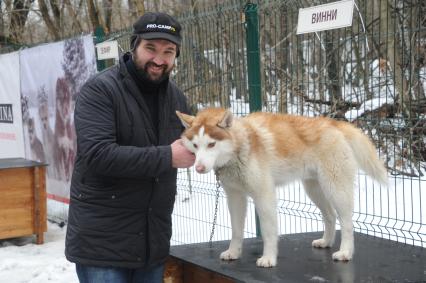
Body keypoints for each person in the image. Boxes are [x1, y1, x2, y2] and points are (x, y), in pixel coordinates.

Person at [65, 12, 195, 283]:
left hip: (152, 245)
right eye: (151, 48)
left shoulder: (177, 100)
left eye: (168, 51)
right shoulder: (100, 90)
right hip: (102, 247)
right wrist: (168, 156)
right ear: (134, 45)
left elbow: (201, 144)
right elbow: (98, 155)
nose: (159, 59)